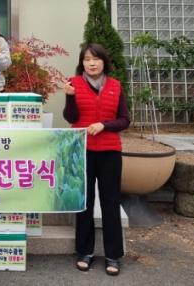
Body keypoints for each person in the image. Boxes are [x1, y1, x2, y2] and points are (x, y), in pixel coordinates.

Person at [63, 43, 129, 277]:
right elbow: (70, 117)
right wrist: (70, 97)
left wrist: (104, 125)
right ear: (82, 63)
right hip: (82, 150)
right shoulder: (73, 83)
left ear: (104, 62)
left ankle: (113, 255)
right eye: (87, 59)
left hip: (110, 151)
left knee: (111, 202)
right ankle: (85, 252)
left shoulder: (115, 86)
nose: (91, 63)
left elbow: (124, 120)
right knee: (85, 201)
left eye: (96, 59)